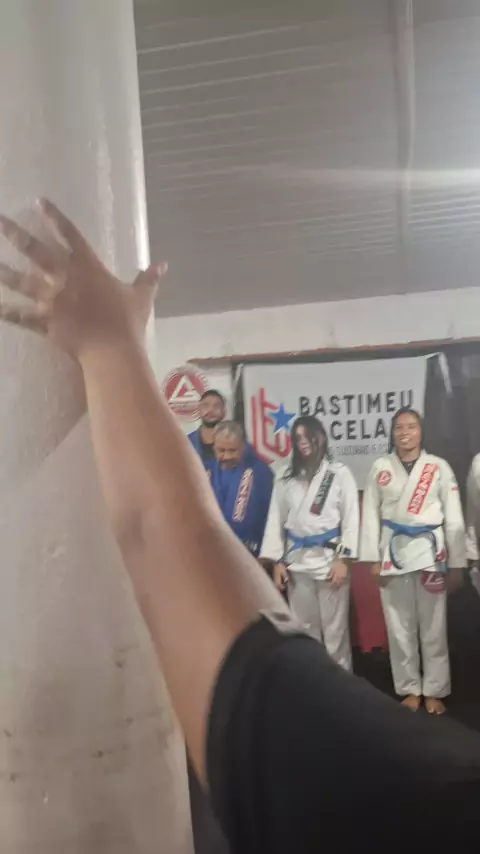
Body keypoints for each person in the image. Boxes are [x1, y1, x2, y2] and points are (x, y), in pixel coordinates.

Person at [1, 202, 480, 853]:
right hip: (312, 565)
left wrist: (109, 346)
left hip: (352, 566)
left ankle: (427, 691)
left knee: (345, 654)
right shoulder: (283, 475)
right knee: (340, 648)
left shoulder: (402, 799)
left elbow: (164, 531)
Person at [361, 406, 466, 715]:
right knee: (399, 627)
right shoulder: (380, 467)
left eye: (411, 426)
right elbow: (370, 515)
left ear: (421, 432)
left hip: (431, 555)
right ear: (392, 433)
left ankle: (434, 689)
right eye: (399, 427)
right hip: (393, 554)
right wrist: (373, 559)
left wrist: (457, 564)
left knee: (433, 627)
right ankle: (409, 688)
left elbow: (454, 516)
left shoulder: (438, 467)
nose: (405, 432)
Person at [260, 415, 359, 670]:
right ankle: (314, 683)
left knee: (336, 631)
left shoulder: (339, 474)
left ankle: (340, 685)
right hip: (297, 562)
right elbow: (275, 519)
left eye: (308, 436)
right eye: (298, 438)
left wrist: (344, 560)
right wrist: (278, 562)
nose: (303, 442)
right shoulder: (285, 475)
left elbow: (351, 520)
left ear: (321, 437)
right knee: (305, 630)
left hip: (330, 561)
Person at [211, 421, 273, 558]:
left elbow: (271, 519)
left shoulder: (261, 473)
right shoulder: (206, 471)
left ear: (243, 446)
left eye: (233, 450)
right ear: (214, 447)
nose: (227, 456)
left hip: (249, 554)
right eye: (221, 450)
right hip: (213, 552)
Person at [188, 389, 226, 474]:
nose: (211, 410)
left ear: (224, 412)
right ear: (199, 411)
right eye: (206, 406)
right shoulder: (186, 444)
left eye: (216, 406)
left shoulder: (237, 445)